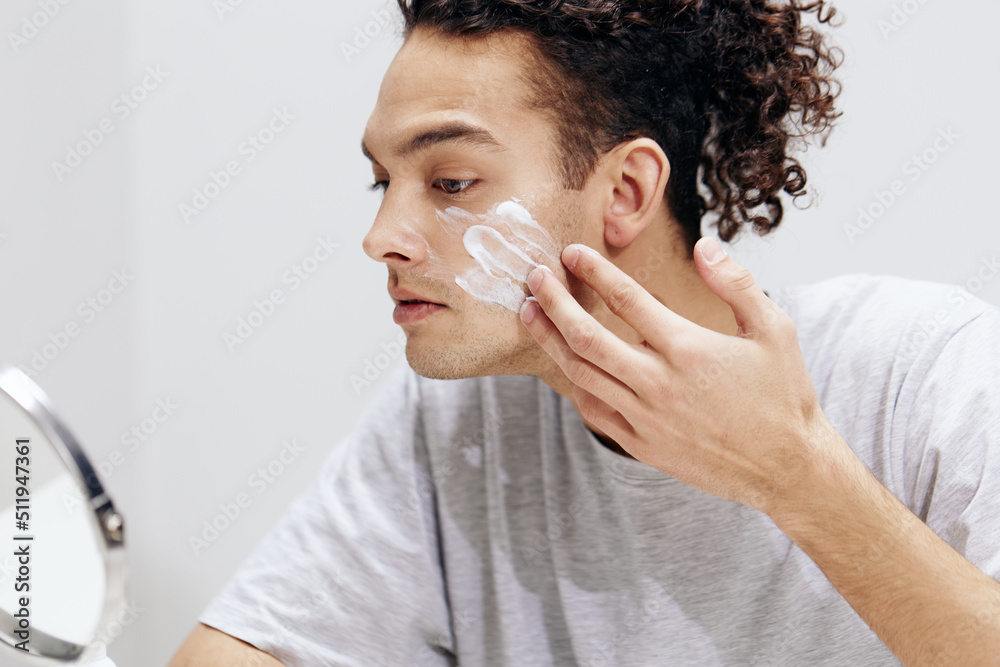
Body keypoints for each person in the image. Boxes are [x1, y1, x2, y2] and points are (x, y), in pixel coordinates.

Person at [169, 1, 1000, 664]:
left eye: (451, 179)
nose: (383, 233)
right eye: (383, 180)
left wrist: (797, 477)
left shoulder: (921, 370)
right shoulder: (456, 429)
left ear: (627, 192)